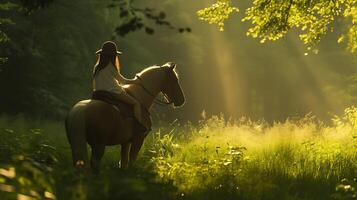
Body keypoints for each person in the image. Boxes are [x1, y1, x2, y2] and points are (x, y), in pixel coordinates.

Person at [92, 41, 144, 128]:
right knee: (136, 104)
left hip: (97, 93)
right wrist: (136, 81)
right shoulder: (110, 67)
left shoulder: (96, 67)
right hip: (112, 93)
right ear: (113, 56)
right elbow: (123, 81)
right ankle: (138, 127)